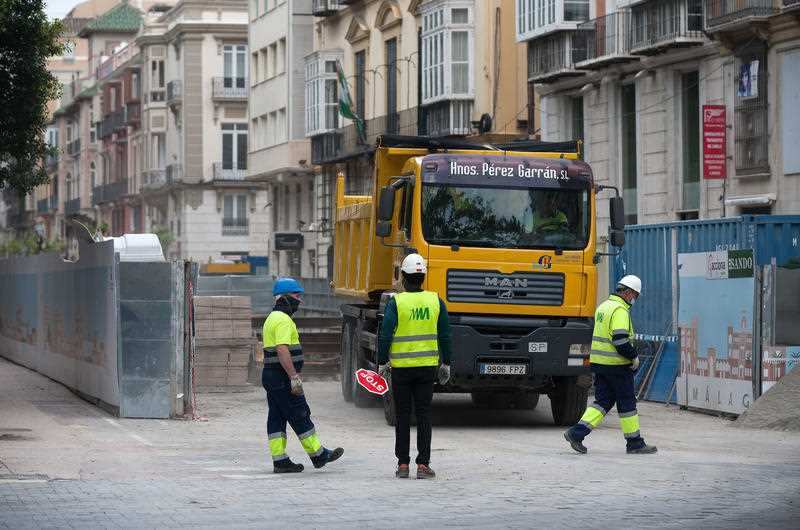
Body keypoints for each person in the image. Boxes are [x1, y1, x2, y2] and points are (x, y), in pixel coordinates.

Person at [564, 275, 658, 455]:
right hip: (617, 366)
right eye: (635, 295)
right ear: (628, 292)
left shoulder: (604, 306)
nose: (634, 299)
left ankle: (576, 433)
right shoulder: (620, 310)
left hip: (600, 364)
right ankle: (635, 443)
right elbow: (620, 340)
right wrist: (633, 357)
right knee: (627, 403)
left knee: (603, 402)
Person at [377, 254, 452, 479]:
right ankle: (423, 465)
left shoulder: (396, 303)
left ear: (403, 277)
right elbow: (445, 335)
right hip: (427, 369)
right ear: (423, 276)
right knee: (424, 415)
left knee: (402, 415)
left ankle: (402, 465)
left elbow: (385, 335)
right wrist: (446, 362)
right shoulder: (435, 301)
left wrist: (382, 362)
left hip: (401, 369)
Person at [262, 277, 344, 473]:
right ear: (284, 298)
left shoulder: (271, 318)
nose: (300, 301)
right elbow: (282, 350)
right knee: (300, 413)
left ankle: (280, 460)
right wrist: (293, 377)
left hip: (271, 376)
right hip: (282, 377)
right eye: (297, 296)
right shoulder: (282, 320)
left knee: (276, 417)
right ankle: (318, 454)